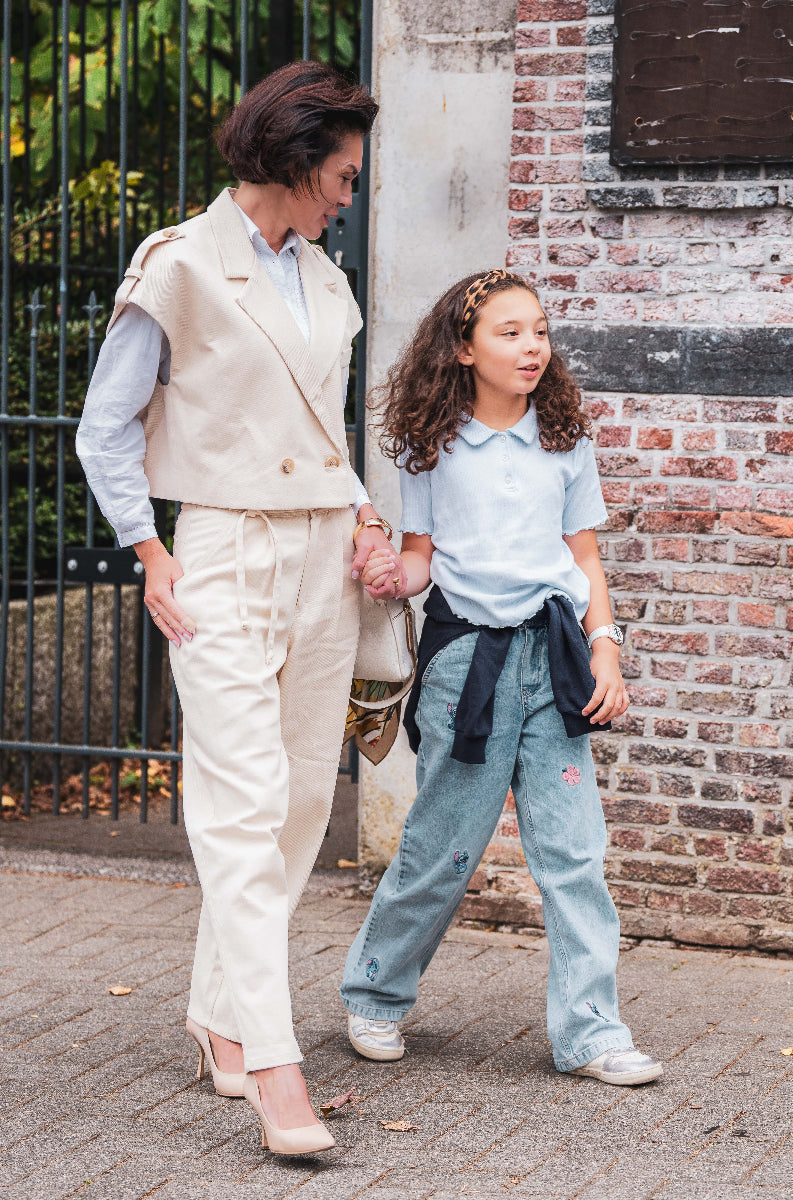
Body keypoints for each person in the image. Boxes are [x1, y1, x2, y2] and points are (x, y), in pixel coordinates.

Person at [77, 61, 407, 1155]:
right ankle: (275, 1068)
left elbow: (324, 427)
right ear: (297, 153)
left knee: (302, 805)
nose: (353, 193)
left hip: (323, 550)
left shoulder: (326, 279)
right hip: (219, 551)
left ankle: (220, 1019)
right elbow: (104, 427)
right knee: (240, 806)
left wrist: (361, 513)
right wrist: (148, 550)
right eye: (346, 172)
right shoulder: (179, 265)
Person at [339, 269, 663, 1087]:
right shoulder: (431, 444)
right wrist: (389, 576)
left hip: (554, 661)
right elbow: (421, 557)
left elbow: (582, 555)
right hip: (465, 667)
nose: (531, 347)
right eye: (510, 332)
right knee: (441, 849)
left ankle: (590, 1033)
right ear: (462, 348)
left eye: (540, 331)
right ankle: (373, 995)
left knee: (573, 853)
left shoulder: (564, 439)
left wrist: (606, 650)